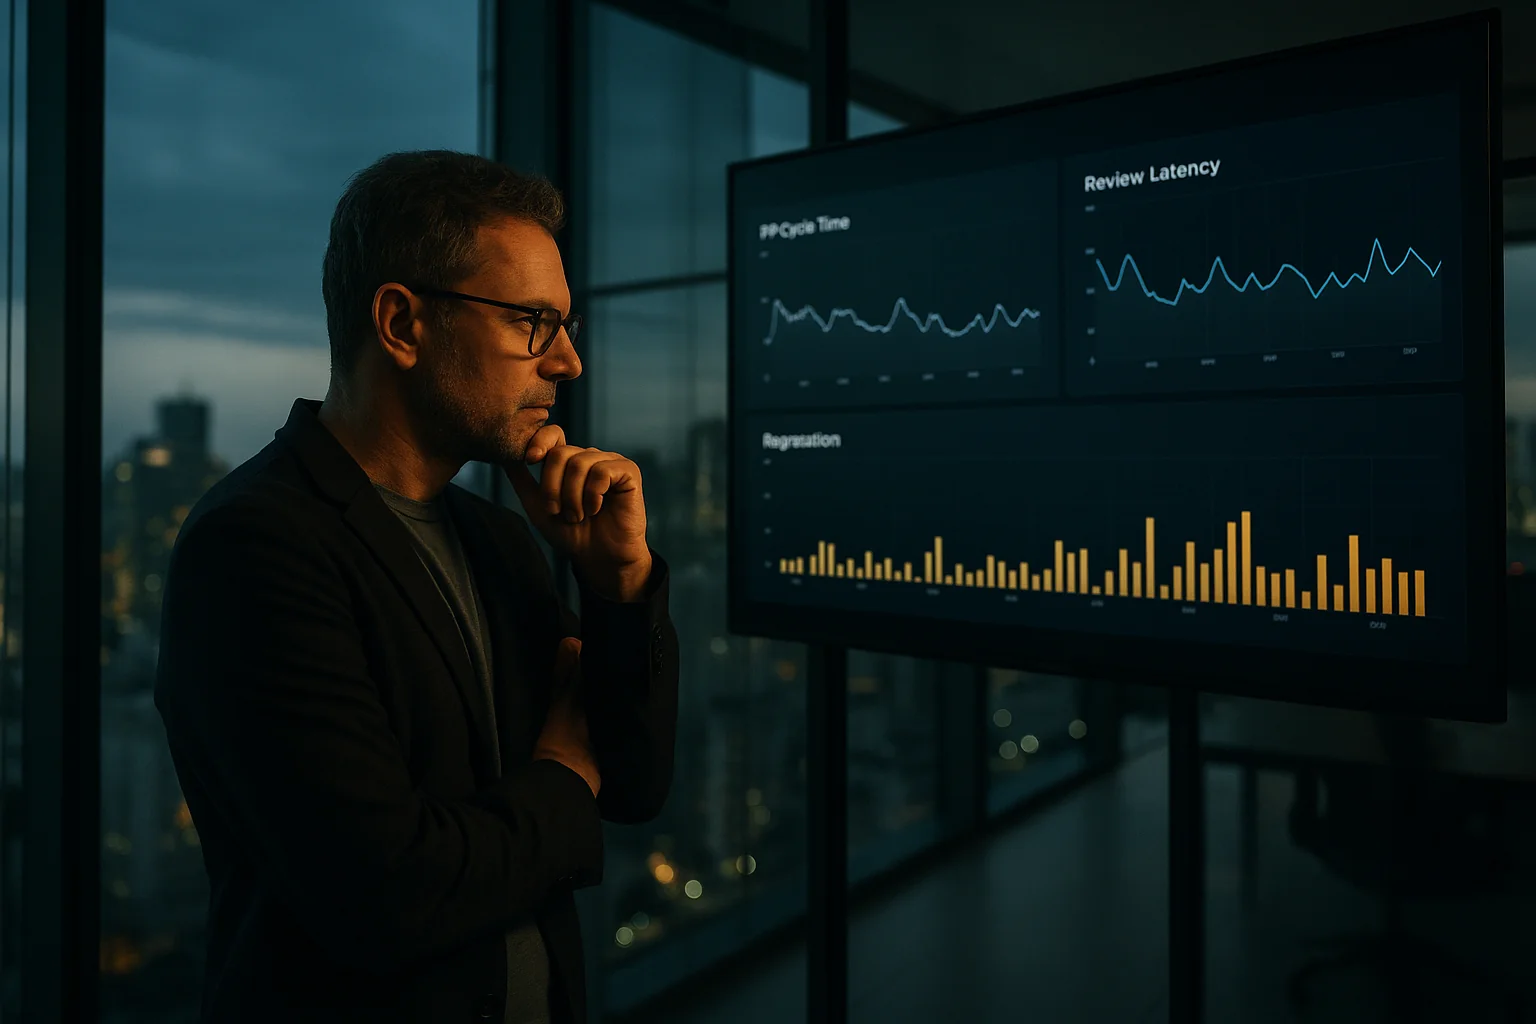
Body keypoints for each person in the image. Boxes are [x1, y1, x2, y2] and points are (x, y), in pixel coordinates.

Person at [155, 150, 679, 1024]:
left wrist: (619, 585)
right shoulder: (254, 547)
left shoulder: (500, 538)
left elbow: (630, 785)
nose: (569, 363)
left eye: (566, 325)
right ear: (401, 323)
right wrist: (558, 775)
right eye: (534, 323)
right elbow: (385, 896)